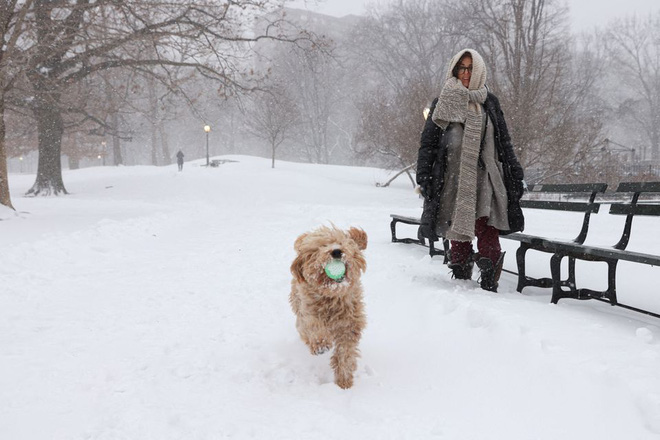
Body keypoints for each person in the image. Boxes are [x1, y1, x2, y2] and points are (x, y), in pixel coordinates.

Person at [416, 49, 525, 292]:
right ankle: (461, 271)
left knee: (486, 225)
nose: (465, 73)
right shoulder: (443, 101)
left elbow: (504, 141)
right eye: (461, 68)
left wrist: (516, 173)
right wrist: (423, 176)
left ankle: (489, 278)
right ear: (454, 70)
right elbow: (428, 143)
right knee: (457, 222)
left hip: (485, 176)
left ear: (479, 72)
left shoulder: (490, 102)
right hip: (453, 175)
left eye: (470, 68)